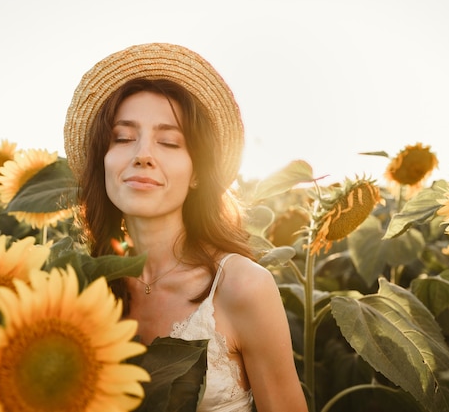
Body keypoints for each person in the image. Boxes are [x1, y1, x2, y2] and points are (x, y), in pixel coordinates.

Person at [64, 43, 308, 412]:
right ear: (104, 161)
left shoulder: (241, 287)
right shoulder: (78, 289)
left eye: (169, 141)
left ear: (196, 174)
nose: (143, 154)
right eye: (123, 138)